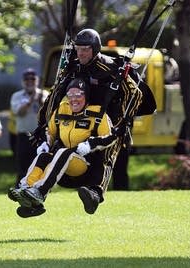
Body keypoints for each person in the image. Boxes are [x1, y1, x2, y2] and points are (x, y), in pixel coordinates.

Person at [33, 28, 154, 196]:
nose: (80, 53)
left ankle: (96, 192)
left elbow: (135, 94)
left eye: (85, 49)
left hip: (112, 119)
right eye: (78, 49)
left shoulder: (112, 68)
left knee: (107, 152)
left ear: (95, 49)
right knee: (58, 147)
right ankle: (36, 190)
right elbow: (56, 93)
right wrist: (43, 123)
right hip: (83, 117)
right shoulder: (73, 67)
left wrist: (121, 123)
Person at [8, 78, 117, 218]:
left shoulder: (97, 114)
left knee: (63, 152)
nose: (74, 99)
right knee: (44, 156)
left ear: (86, 96)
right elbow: (50, 132)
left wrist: (90, 144)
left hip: (84, 165)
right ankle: (25, 188)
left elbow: (111, 137)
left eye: (78, 95)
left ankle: (40, 191)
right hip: (62, 164)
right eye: (70, 95)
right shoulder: (61, 109)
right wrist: (45, 143)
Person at [10, 68, 49, 185]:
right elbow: (19, 112)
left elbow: (49, 114)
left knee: (40, 165)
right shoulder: (17, 96)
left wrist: (41, 101)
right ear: (23, 81)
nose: (30, 81)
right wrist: (31, 101)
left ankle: (39, 190)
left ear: (37, 80)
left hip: (40, 136)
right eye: (27, 79)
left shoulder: (45, 94)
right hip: (23, 136)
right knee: (22, 166)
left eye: (32, 78)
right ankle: (20, 189)